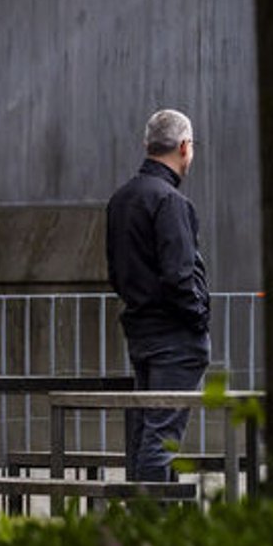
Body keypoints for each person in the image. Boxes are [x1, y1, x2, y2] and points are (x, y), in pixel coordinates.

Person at [105, 108, 209, 482]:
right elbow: (180, 276)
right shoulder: (170, 202)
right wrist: (198, 317)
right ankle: (153, 527)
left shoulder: (121, 199)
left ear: (147, 144)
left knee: (144, 433)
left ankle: (138, 524)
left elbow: (116, 274)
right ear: (185, 147)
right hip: (175, 337)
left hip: (140, 332)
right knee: (161, 440)